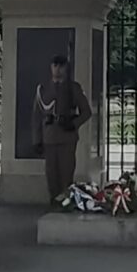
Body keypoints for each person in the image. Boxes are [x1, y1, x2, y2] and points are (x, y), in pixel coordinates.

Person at [36, 56, 91, 205]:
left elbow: (86, 112)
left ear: (66, 68)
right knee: (51, 173)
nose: (58, 69)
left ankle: (66, 202)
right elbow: (36, 116)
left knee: (66, 172)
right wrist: (37, 139)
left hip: (67, 137)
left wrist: (73, 123)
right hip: (49, 136)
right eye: (55, 65)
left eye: (61, 66)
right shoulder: (43, 89)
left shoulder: (73, 88)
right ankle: (54, 202)